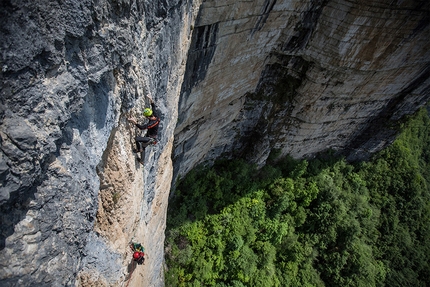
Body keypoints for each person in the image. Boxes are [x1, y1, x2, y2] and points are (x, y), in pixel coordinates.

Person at [127, 98, 160, 165]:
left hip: (151, 139)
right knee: (143, 146)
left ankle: (139, 149)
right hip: (151, 137)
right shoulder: (156, 116)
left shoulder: (152, 123)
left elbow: (142, 128)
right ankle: (142, 160)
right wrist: (151, 99)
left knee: (137, 139)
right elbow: (153, 107)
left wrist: (134, 122)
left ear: (148, 117)